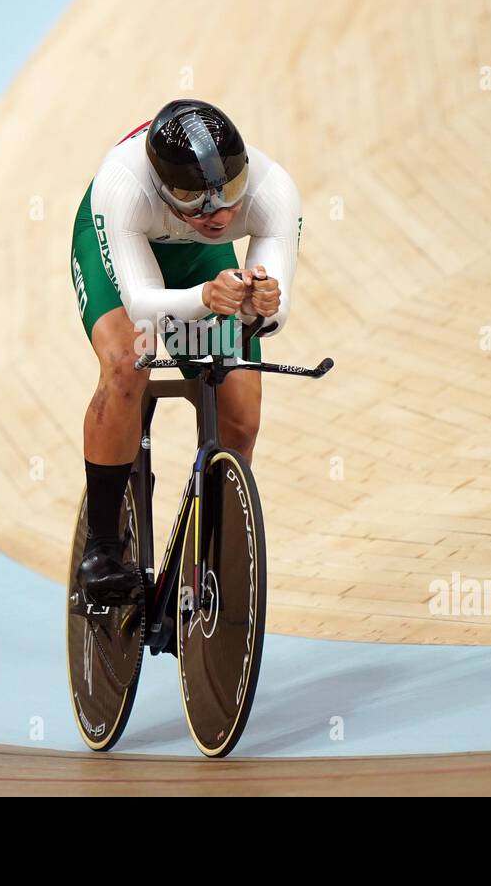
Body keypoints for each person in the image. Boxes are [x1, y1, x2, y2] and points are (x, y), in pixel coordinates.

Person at [69, 99, 301, 604]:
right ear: (161, 187)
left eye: (230, 195)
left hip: (198, 257)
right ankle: (102, 548)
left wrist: (262, 304)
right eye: (193, 199)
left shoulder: (273, 189)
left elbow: (272, 315)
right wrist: (206, 297)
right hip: (124, 248)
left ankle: (212, 546)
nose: (218, 214)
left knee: (240, 410)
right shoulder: (123, 185)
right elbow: (144, 308)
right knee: (128, 364)